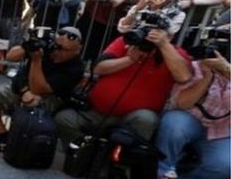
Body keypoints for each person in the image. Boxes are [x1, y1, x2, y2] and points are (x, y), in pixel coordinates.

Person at [54, 28, 191, 146]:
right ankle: (85, 153)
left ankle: (116, 162)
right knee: (64, 118)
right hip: (97, 111)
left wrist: (164, 45)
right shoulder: (126, 41)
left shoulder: (174, 53)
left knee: (146, 119)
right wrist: (129, 59)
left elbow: (184, 77)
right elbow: (98, 68)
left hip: (133, 117)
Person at [0, 26, 85, 152]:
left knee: (33, 101)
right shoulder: (47, 49)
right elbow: (10, 57)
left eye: (65, 50)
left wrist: (36, 59)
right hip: (23, 88)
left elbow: (39, 89)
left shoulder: (76, 68)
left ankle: (25, 141)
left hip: (50, 97)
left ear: (78, 50)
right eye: (57, 47)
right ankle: (3, 137)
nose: (58, 52)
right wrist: (29, 46)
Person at [155, 48, 230, 179]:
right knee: (174, 127)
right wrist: (207, 78)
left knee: (224, 165)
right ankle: (159, 176)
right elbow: (182, 104)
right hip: (188, 118)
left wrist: (227, 70)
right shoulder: (193, 67)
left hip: (222, 129)